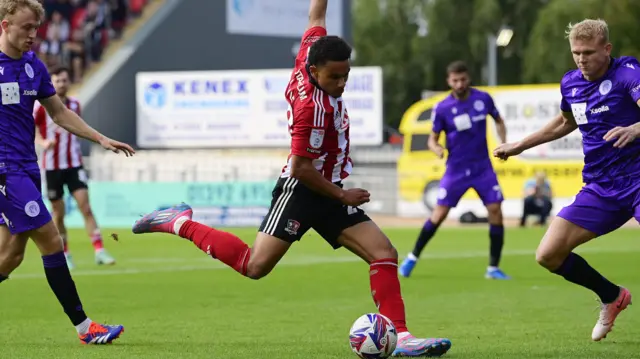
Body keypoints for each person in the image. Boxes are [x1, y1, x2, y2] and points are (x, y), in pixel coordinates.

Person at [131, 0, 452, 356]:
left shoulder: (308, 56)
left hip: (328, 192)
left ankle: (402, 337)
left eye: (346, 75)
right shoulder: (311, 110)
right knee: (254, 266)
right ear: (315, 72)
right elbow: (301, 168)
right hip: (302, 190)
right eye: (335, 77)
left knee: (383, 252)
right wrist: (342, 196)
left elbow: (316, 16)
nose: (342, 82)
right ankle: (179, 223)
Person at [0, 0, 133, 344]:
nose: (33, 35)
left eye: (36, 28)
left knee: (10, 256)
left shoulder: (34, 67)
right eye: (26, 28)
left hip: (28, 169)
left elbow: (59, 114)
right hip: (4, 172)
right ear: (5, 25)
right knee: (51, 239)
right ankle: (85, 328)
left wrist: (100, 138)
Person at [494, 18, 635, 341]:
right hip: (601, 187)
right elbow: (563, 123)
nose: (581, 59)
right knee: (548, 254)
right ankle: (612, 296)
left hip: (637, 178)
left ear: (606, 49)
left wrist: (634, 128)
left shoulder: (628, 73)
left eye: (588, 52)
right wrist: (518, 145)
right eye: (576, 53)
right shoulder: (570, 83)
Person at [399, 61, 511, 280]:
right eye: (455, 80)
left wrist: (504, 143)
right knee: (439, 214)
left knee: (496, 210)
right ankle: (412, 257)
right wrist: (437, 148)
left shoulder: (483, 99)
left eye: (463, 79)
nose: (459, 84)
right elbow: (432, 139)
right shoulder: (442, 108)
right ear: (449, 81)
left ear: (468, 78)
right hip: (456, 169)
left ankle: (493, 268)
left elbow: (499, 121)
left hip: (482, 167)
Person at [34, 66, 116, 270]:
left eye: (64, 80)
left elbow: (76, 127)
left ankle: (99, 250)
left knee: (85, 206)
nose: (62, 84)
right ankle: (66, 253)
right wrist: (42, 143)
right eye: (58, 81)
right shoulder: (40, 107)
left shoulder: (75, 104)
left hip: (74, 164)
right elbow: (34, 129)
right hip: (52, 166)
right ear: (51, 83)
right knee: (58, 213)